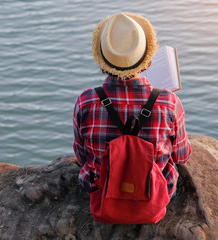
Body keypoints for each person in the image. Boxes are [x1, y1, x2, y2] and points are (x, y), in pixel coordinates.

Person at [73, 12, 192, 201]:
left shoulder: (85, 100)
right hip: (154, 196)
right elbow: (182, 156)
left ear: (103, 62)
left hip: (103, 194)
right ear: (147, 62)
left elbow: (81, 157)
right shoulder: (168, 101)